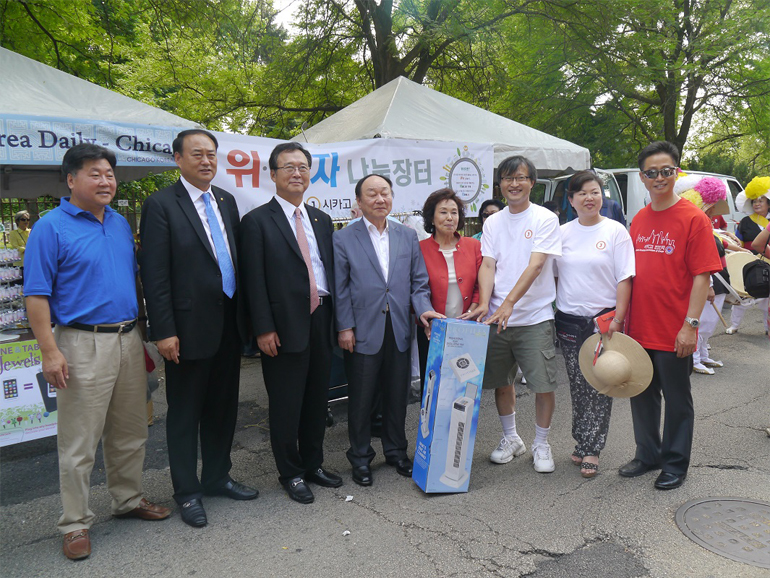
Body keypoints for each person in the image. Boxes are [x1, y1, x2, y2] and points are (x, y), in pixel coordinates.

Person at [24, 144, 170, 561]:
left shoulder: (121, 223)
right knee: (79, 440)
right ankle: (74, 524)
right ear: (71, 180)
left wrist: (143, 334)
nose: (106, 180)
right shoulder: (50, 227)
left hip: (127, 338)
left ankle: (128, 500)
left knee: (130, 431)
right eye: (95, 174)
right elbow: (36, 295)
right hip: (79, 341)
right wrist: (49, 352)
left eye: (109, 173)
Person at [139, 129, 257, 528]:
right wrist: (163, 329)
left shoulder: (225, 201)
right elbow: (154, 275)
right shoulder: (160, 205)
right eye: (197, 154)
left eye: (211, 154)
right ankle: (187, 491)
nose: (206, 161)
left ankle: (217, 476)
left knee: (224, 407)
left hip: (227, 322)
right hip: (185, 329)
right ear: (177, 158)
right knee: (185, 413)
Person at [240, 142, 342, 504]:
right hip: (281, 326)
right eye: (288, 168)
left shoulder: (321, 219)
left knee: (317, 399)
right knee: (286, 403)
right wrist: (263, 327)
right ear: (272, 175)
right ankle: (291, 472)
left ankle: (313, 463)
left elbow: (329, 269)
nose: (296, 173)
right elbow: (253, 280)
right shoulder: (256, 222)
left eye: (302, 167)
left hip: (322, 317)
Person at [619, 141, 721, 490]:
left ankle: (675, 463)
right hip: (639, 328)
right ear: (643, 177)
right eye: (652, 172)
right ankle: (648, 454)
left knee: (678, 401)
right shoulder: (640, 219)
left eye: (666, 171)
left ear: (676, 173)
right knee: (641, 395)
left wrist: (690, 326)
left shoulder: (694, 219)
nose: (659, 177)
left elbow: (702, 275)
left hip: (675, 328)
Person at [334, 174, 443, 487]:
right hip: (361, 329)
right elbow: (340, 289)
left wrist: (423, 310)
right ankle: (360, 458)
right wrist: (344, 327)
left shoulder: (406, 235)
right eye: (372, 194)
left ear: (392, 198)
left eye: (385, 193)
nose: (379, 199)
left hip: (398, 327)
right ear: (359, 201)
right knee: (362, 399)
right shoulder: (343, 238)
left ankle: (396, 451)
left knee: (397, 395)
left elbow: (418, 281)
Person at [466, 156, 562, 474]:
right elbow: (489, 264)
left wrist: (508, 303)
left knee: (542, 384)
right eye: (508, 178)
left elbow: (536, 265)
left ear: (531, 182)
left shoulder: (545, 218)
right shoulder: (493, 222)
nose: (514, 184)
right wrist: (485, 302)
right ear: (501, 185)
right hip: (496, 318)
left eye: (520, 177)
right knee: (501, 383)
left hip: (534, 316)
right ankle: (512, 439)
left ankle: (541, 443)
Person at [553, 170, 634, 478]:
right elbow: (556, 275)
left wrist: (618, 318)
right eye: (582, 193)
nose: (590, 198)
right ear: (571, 200)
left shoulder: (615, 231)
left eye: (595, 191)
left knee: (601, 383)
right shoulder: (562, 233)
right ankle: (582, 439)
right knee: (577, 383)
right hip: (569, 322)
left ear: (603, 196)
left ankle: (592, 449)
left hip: (603, 321)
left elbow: (624, 278)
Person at [417, 188, 482, 383]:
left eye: (454, 212)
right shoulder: (420, 249)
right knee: (434, 382)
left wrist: (472, 310)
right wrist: (428, 318)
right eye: (443, 212)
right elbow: (417, 288)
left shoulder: (473, 246)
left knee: (464, 381)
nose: (449, 217)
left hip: (467, 325)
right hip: (432, 328)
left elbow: (481, 284)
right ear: (432, 217)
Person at [727, 177, 770, 334]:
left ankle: (767, 328)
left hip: (768, 261)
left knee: (767, 297)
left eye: (761, 201)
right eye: (754, 201)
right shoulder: (745, 221)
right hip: (748, 262)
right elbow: (739, 241)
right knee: (741, 296)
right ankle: (734, 325)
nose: (757, 204)